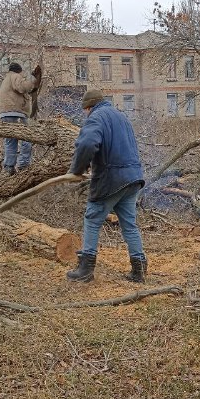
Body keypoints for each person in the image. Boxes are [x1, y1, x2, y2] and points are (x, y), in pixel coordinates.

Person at [67, 89, 147, 283]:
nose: (85, 114)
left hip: (112, 178)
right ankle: (139, 269)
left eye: (85, 110)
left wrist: (77, 169)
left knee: (92, 219)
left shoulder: (96, 118)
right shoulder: (121, 117)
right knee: (129, 224)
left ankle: (85, 269)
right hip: (133, 177)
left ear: (88, 107)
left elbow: (86, 144)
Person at [0, 62, 41, 175]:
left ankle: (9, 167)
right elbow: (23, 87)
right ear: (19, 71)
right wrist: (32, 79)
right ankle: (24, 164)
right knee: (26, 138)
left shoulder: (6, 79)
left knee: (10, 140)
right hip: (16, 113)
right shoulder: (15, 76)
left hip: (5, 114)